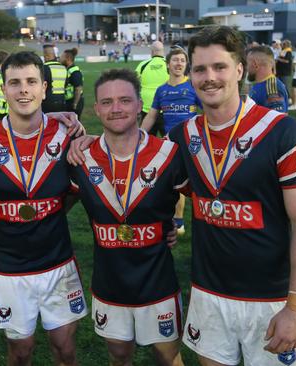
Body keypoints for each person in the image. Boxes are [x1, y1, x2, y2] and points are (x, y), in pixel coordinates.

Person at [165, 25, 296, 366]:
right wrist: (73, 130)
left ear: (239, 69)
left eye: (219, 67)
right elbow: (137, 162)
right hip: (209, 293)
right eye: (200, 69)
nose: (209, 77)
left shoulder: (282, 131)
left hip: (271, 298)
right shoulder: (181, 137)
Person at [0, 51, 87, 366]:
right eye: (15, 82)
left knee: (66, 349)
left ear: (44, 88)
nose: (24, 90)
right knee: (20, 353)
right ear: (3, 90)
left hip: (58, 263)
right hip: (10, 268)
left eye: (31, 82)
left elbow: (86, 188)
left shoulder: (68, 135)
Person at [69, 68, 187, 366]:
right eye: (106, 102)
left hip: (158, 283)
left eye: (124, 100)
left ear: (139, 105)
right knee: (119, 357)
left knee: (168, 358)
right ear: (96, 109)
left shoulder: (169, 155)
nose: (116, 108)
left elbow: (210, 201)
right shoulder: (80, 159)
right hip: (110, 284)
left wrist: (170, 227)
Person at [141, 47, 201, 235]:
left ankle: (207, 217)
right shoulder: (162, 90)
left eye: (182, 60)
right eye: (175, 60)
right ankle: (179, 220)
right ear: (168, 64)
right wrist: (140, 134)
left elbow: (208, 111)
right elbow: (151, 116)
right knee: (176, 183)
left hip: (193, 144)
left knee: (198, 183)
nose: (179, 63)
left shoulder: (193, 87)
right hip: (170, 145)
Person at [135, 41, 169, 137]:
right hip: (166, 108)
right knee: (170, 142)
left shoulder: (143, 65)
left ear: (152, 51)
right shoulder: (169, 64)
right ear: (163, 51)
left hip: (147, 109)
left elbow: (132, 83)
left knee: (146, 142)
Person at [246, 46, 289, 113]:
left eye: (247, 64)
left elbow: (277, 121)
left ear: (255, 64)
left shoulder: (272, 88)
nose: (246, 68)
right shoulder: (262, 84)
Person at [42, 44, 68, 113]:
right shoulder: (63, 68)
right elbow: (66, 84)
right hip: (62, 101)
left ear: (46, 56)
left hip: (47, 101)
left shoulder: (44, 68)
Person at [61, 48, 84, 119]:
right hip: (69, 101)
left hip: (74, 101)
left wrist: (75, 104)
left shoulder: (74, 71)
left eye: (62, 57)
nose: (60, 59)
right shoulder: (68, 69)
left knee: (73, 126)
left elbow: (78, 88)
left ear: (67, 59)